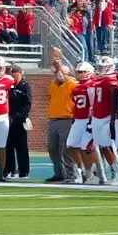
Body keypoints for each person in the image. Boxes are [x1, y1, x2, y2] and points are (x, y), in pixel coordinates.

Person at [45, 49, 76, 182]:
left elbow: (61, 76)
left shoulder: (71, 84)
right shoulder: (55, 84)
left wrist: (57, 61)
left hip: (66, 119)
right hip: (53, 119)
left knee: (65, 149)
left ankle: (70, 174)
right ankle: (59, 173)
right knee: (52, 148)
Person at [3, 64, 31, 179]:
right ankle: (9, 169)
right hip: (6, 119)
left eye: (14, 74)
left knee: (21, 146)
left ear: (19, 73)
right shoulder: (8, 86)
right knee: (8, 145)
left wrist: (19, 116)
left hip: (18, 120)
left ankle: (24, 170)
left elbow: (27, 104)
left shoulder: (24, 86)